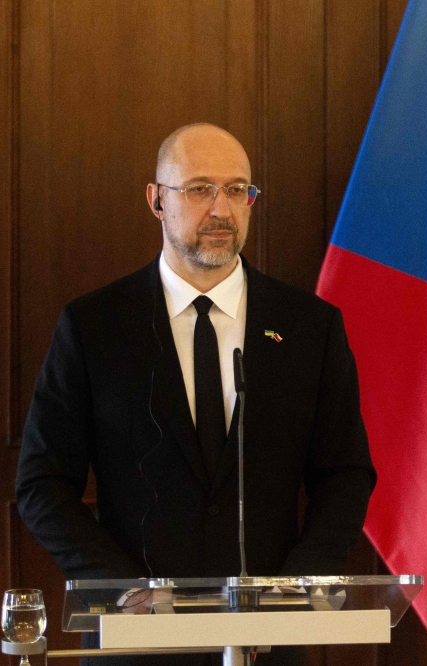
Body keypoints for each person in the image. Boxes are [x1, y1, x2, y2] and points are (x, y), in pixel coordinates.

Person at [16, 123, 376, 665]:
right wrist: (123, 589)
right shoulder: (95, 326)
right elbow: (42, 484)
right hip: (135, 643)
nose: (222, 211)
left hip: (266, 643)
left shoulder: (308, 327)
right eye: (199, 188)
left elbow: (345, 475)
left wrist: (291, 589)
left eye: (237, 190)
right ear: (156, 200)